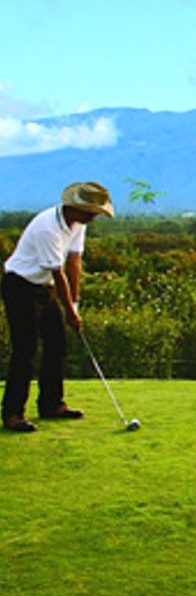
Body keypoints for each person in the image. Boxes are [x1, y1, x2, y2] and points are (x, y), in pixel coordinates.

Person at [2, 182, 114, 433]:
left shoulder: (77, 224)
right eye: (92, 212)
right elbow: (59, 272)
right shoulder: (47, 228)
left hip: (45, 287)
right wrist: (70, 312)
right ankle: (12, 414)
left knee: (57, 343)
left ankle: (52, 405)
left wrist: (74, 305)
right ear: (77, 208)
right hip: (20, 286)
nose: (95, 217)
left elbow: (74, 262)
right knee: (26, 348)